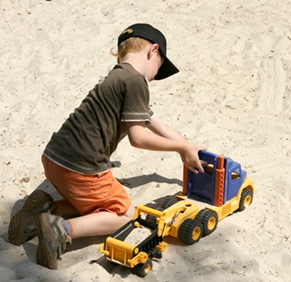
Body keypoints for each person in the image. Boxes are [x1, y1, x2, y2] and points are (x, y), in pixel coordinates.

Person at [8, 23, 206, 270]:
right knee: (125, 214)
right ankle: (61, 229)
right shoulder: (137, 81)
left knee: (93, 204)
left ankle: (42, 208)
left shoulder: (116, 77)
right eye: (160, 66)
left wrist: (188, 147)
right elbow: (138, 137)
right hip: (81, 168)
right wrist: (179, 149)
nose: (155, 76)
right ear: (152, 50)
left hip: (54, 159)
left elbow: (156, 123)